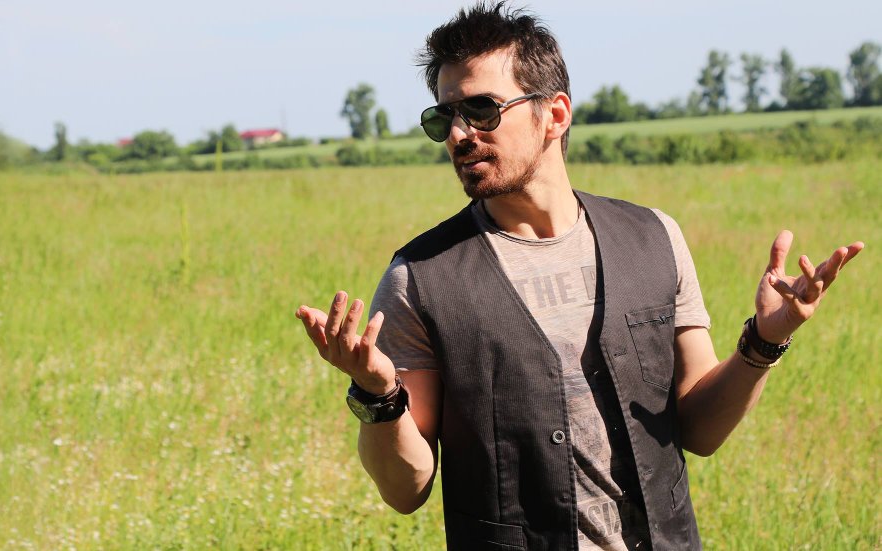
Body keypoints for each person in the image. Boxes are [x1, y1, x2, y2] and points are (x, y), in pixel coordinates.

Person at [293, 3, 863, 549]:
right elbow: (405, 489)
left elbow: (699, 430)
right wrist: (378, 394)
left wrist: (764, 341)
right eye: (444, 117)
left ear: (555, 115)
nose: (460, 135)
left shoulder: (653, 238)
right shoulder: (421, 277)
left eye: (483, 111)